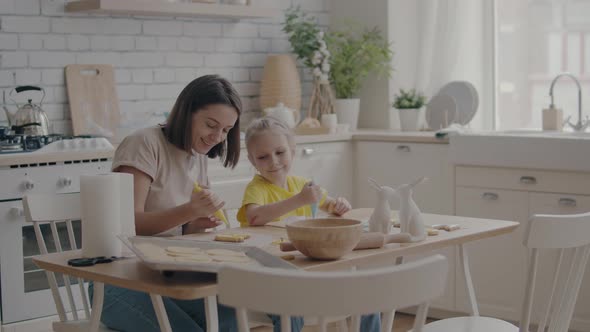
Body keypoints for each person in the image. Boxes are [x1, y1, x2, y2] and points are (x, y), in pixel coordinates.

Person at [89, 75, 242, 332]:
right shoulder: (144, 144)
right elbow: (128, 224)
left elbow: (177, 231)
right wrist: (190, 210)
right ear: (186, 112)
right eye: (211, 125)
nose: (217, 136)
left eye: (226, 130)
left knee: (232, 319)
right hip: (119, 281)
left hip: (168, 276)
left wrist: (196, 223)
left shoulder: (197, 153)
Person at [236, 117, 380, 332]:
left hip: (308, 273)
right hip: (271, 281)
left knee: (368, 297)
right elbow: (255, 217)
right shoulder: (257, 188)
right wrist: (298, 200)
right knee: (291, 312)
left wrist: (339, 205)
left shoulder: (301, 185)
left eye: (280, 152)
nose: (273, 161)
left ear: (292, 150)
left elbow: (329, 204)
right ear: (252, 160)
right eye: (263, 157)